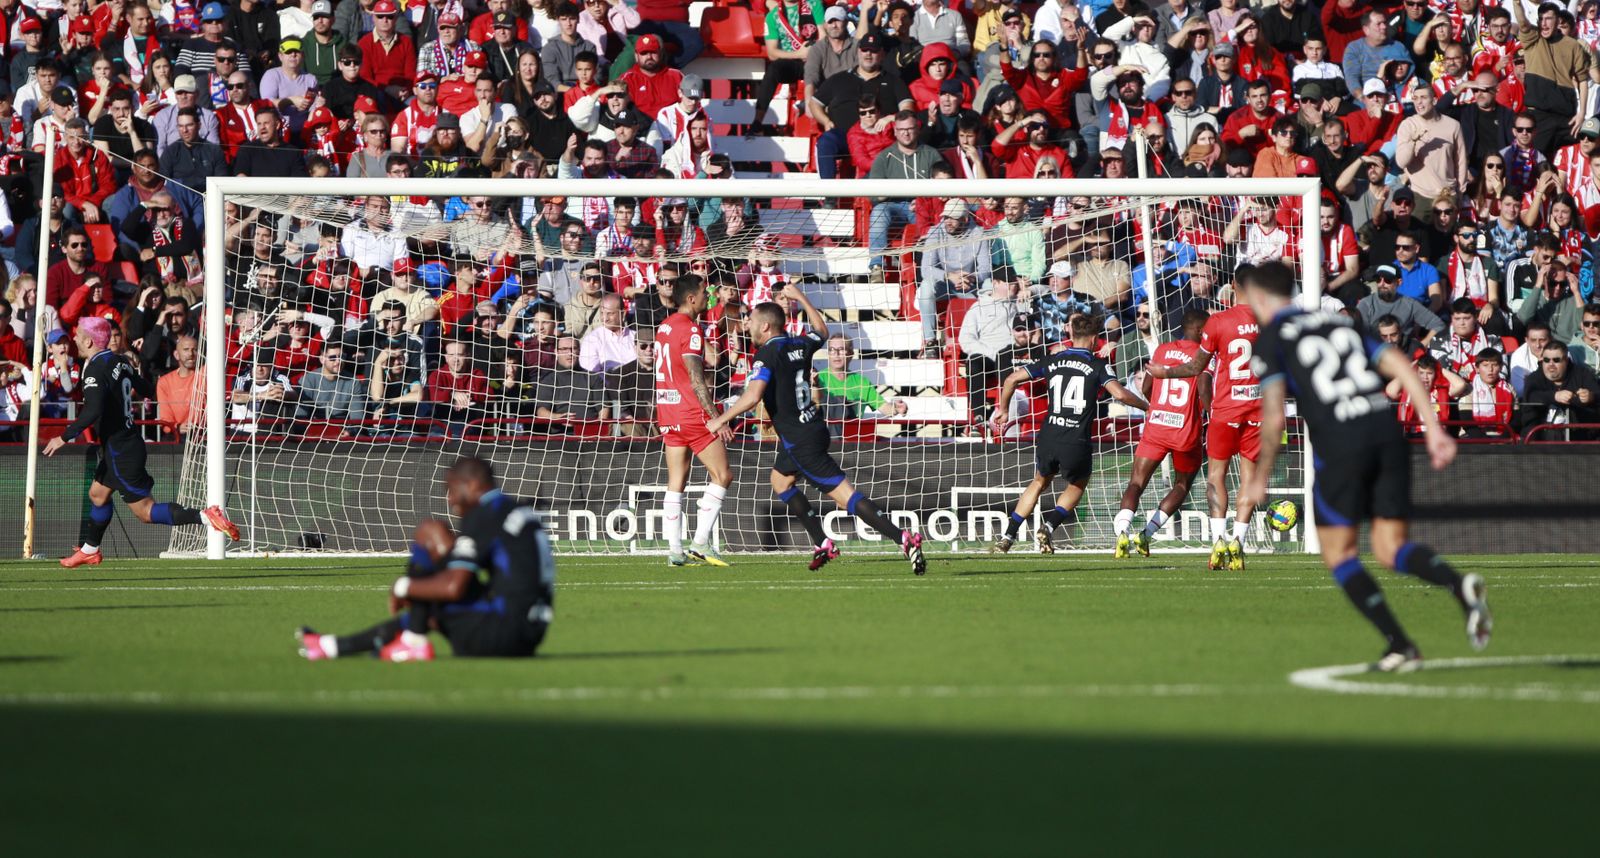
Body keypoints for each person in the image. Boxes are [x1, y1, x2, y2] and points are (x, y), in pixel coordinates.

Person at [1239, 261, 1490, 671]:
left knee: (1340, 554)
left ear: (1261, 297)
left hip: (1342, 444)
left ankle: (1400, 644)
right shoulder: (1339, 323)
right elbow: (1402, 365)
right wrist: (1434, 430)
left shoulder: (1271, 340)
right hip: (1386, 433)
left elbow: (1272, 417)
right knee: (1390, 549)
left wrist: (1260, 479)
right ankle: (1457, 585)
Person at [706, 286, 928, 574]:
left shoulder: (765, 355)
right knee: (780, 482)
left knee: (845, 496)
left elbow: (753, 396)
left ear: (764, 325)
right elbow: (822, 330)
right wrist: (801, 298)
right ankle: (823, 542)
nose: (746, 325)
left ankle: (904, 538)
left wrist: (721, 419)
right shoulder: (799, 345)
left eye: (750, 321)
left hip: (800, 440)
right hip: (811, 426)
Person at [297, 457, 554, 661]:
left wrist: (404, 586)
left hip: (498, 635)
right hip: (528, 635)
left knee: (430, 533)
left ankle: (413, 642)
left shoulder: (484, 515)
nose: (450, 499)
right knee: (433, 606)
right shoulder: (517, 510)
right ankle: (332, 647)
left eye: (451, 490)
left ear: (472, 485)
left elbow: (453, 587)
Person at [42, 318, 239, 567]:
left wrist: (64, 437)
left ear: (89, 340)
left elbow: (92, 410)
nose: (75, 340)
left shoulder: (96, 368)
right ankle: (90, 549)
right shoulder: (118, 361)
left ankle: (205, 516)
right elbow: (146, 389)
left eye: (79, 336)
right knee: (98, 494)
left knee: (145, 512)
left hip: (120, 449)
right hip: (126, 441)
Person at [990, 313, 1151, 554]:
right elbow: (1119, 394)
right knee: (1077, 484)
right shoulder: (1097, 365)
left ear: (1071, 334)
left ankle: (1008, 537)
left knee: (1038, 482)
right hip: (1076, 437)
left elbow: (1012, 378)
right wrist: (1148, 406)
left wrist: (1003, 409)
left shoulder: (1052, 360)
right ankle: (1049, 525)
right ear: (1096, 338)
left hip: (1049, 433)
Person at [1146, 266, 1265, 570]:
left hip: (1226, 410)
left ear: (1233, 285)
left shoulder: (1218, 321)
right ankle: (1238, 541)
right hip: (1259, 408)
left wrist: (1165, 373)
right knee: (1249, 480)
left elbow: (1197, 366)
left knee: (1216, 476)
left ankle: (1218, 542)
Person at [1112, 309, 1211, 557]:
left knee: (1136, 482)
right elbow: (1203, 391)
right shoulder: (1203, 356)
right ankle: (1146, 535)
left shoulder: (1162, 350)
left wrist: (1156, 406)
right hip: (1185, 430)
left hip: (1156, 425)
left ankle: (1122, 532)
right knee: (1182, 484)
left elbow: (1146, 386)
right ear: (1200, 330)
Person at [653, 275, 736, 567]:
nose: (708, 298)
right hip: (691, 413)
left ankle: (675, 550)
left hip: (667, 412)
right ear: (691, 299)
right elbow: (697, 379)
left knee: (676, 482)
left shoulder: (664, 326)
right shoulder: (690, 330)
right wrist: (718, 418)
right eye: (704, 293)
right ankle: (700, 542)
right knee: (722, 475)